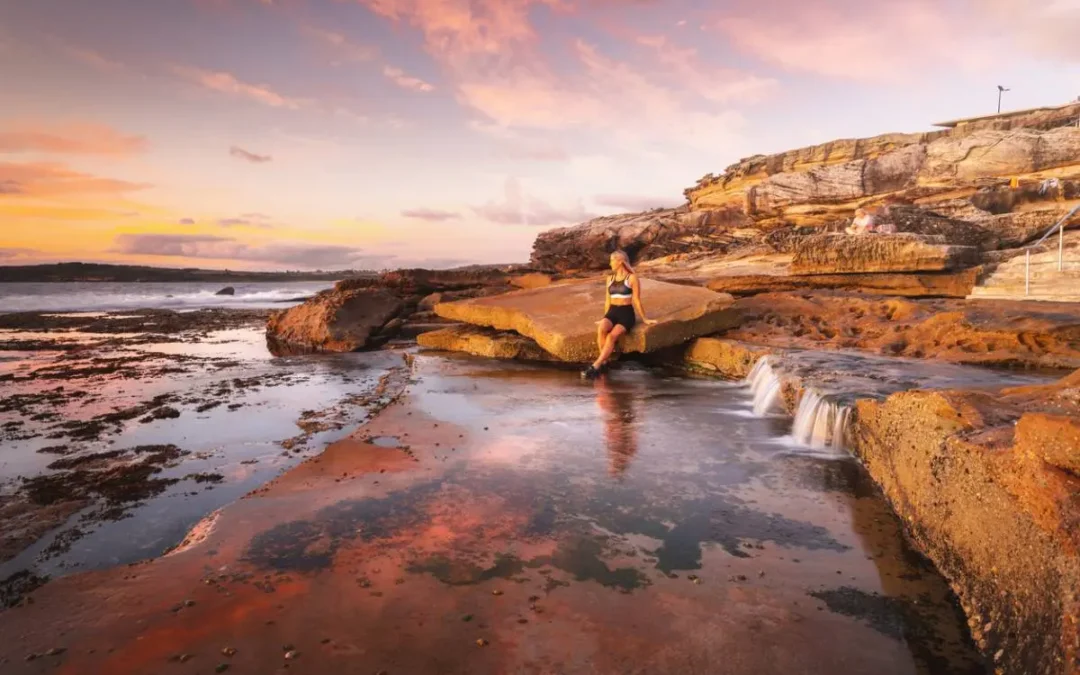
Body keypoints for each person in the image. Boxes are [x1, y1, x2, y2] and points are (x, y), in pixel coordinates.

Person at [582, 250, 657, 380]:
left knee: (611, 337)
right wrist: (605, 317)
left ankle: (596, 366)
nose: (610, 263)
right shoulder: (609, 279)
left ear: (620, 261)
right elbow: (607, 300)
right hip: (612, 312)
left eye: (612, 261)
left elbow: (637, 300)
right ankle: (604, 363)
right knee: (602, 329)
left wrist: (645, 319)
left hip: (626, 314)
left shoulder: (632, 278)